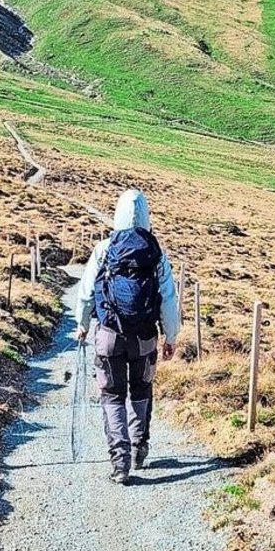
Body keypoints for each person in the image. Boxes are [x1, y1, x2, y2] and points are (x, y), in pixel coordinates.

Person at [75, 189, 180, 485]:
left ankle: (120, 463)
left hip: (109, 334)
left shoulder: (104, 249)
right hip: (145, 337)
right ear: (147, 216)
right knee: (141, 390)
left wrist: (82, 324)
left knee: (112, 395)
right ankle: (138, 448)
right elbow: (169, 298)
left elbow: (86, 291)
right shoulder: (156, 253)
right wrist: (171, 336)